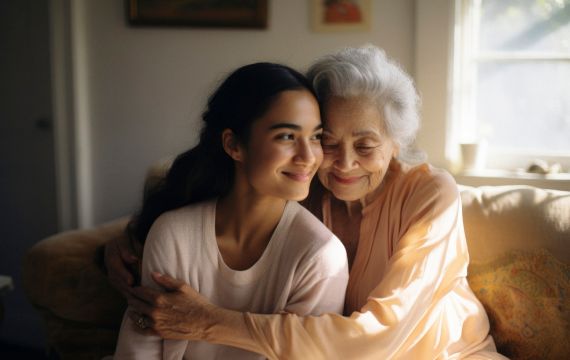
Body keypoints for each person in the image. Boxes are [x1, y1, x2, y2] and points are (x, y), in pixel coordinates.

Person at [106, 46, 507, 359]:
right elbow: (205, 208)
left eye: (365, 145)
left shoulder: (430, 195)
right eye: (327, 141)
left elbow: (377, 339)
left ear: (396, 143)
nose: (344, 164)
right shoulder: (303, 181)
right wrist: (121, 245)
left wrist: (210, 323)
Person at [111, 62, 349, 359]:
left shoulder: (321, 256)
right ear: (233, 144)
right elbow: (139, 351)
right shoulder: (174, 234)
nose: (308, 156)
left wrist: (206, 322)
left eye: (316, 137)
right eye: (287, 136)